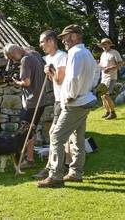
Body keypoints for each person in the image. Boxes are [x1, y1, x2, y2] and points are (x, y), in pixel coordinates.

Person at [38, 25, 97, 188]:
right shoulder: (88, 53)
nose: (63, 40)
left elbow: (72, 78)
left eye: (66, 36)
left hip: (75, 102)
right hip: (84, 99)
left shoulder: (75, 53)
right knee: (77, 137)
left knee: (56, 136)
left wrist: (70, 96)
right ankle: (75, 173)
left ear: (75, 36)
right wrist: (87, 89)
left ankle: (56, 175)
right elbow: (96, 75)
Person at [3, 43, 46, 169]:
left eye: (11, 57)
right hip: (41, 100)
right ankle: (29, 158)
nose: (13, 61)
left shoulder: (25, 60)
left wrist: (16, 82)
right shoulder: (35, 54)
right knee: (30, 130)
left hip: (31, 102)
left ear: (15, 52)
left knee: (25, 132)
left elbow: (26, 82)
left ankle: (29, 160)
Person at [32, 30, 67, 179]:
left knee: (55, 133)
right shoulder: (46, 58)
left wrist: (50, 72)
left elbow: (59, 80)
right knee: (59, 134)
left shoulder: (62, 57)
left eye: (42, 42)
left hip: (64, 100)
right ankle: (62, 166)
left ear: (51, 41)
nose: (40, 45)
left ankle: (53, 168)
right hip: (57, 100)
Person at [98, 38, 123, 120]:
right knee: (102, 96)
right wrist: (99, 65)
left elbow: (121, 63)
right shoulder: (103, 54)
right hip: (104, 77)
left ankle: (113, 113)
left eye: (105, 44)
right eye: (102, 45)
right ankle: (107, 112)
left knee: (106, 95)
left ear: (109, 44)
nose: (104, 46)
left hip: (111, 77)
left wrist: (110, 68)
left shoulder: (114, 52)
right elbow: (101, 64)